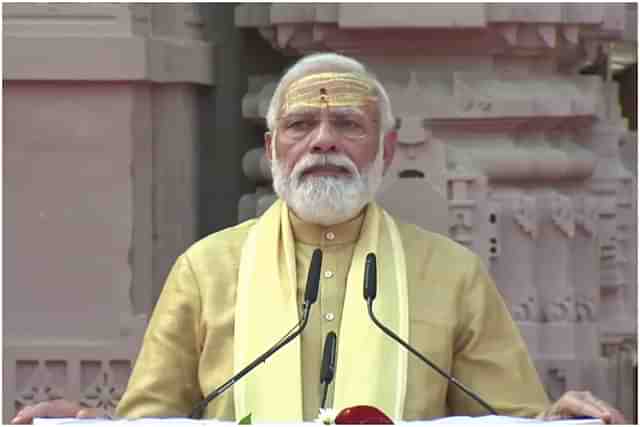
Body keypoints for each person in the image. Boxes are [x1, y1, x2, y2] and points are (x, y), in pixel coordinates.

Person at [11, 53, 626, 425]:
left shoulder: (452, 273)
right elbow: (150, 422)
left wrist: (558, 423)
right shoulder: (207, 269)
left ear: (385, 148)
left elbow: (509, 421)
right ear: (274, 146)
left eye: (347, 124)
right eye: (302, 123)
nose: (323, 141)